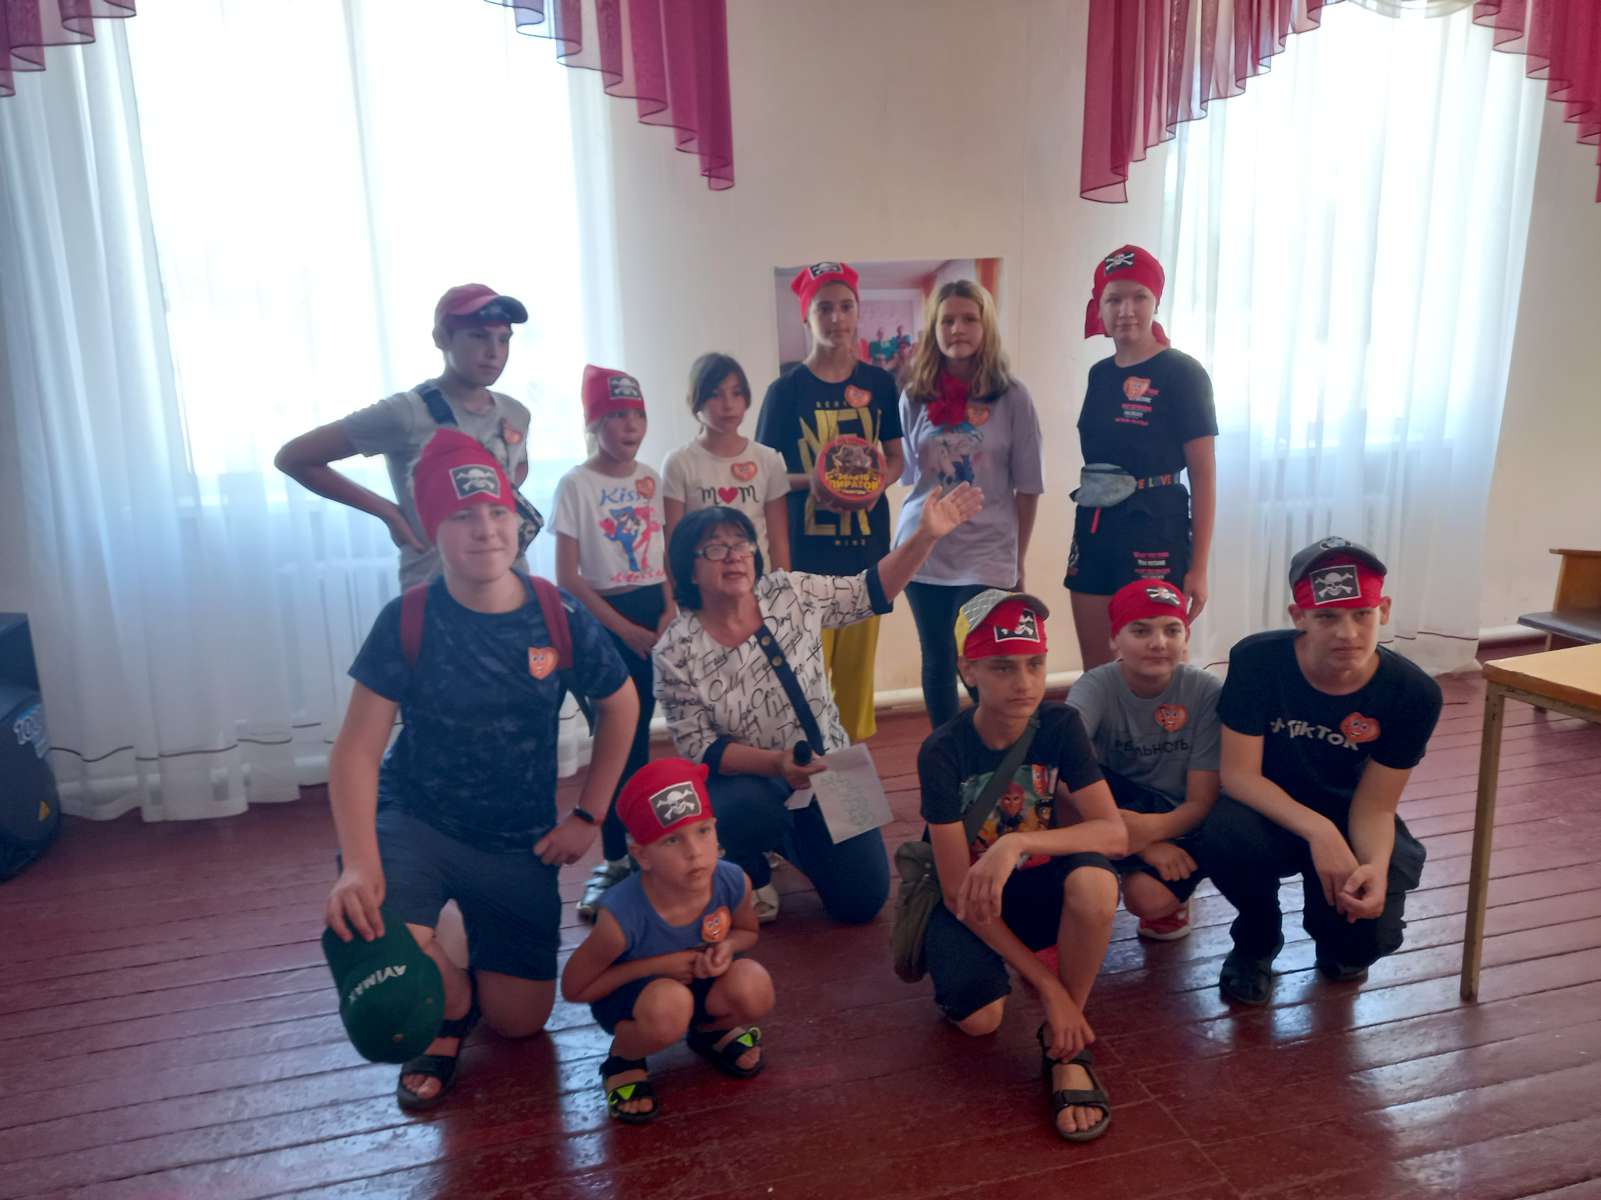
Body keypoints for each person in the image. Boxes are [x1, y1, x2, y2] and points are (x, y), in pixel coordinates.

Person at [322, 430, 638, 1109]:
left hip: (517, 840)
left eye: (496, 511)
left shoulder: (557, 614)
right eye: (462, 515)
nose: (486, 529)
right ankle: (448, 1006)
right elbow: (355, 751)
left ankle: (457, 931)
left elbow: (622, 706)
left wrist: (589, 816)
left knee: (520, 1023)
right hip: (417, 821)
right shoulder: (407, 618)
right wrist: (358, 863)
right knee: (396, 958)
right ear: (432, 529)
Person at [653, 483, 982, 925]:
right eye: (714, 548)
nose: (733, 556)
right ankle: (752, 866)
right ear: (689, 571)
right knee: (742, 809)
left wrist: (925, 536)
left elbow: (870, 590)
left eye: (741, 544)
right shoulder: (675, 649)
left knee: (863, 902)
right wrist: (777, 764)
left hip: (834, 765)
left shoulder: (788, 591)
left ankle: (795, 840)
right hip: (752, 780)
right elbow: (700, 748)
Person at [920, 589, 1125, 1141]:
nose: (1025, 683)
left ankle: (1066, 1051)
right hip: (975, 901)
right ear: (968, 670)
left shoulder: (1059, 724)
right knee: (979, 1020)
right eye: (1002, 667)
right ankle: (1051, 985)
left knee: (1096, 887)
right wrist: (1047, 987)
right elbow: (957, 892)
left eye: (1035, 664)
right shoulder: (942, 751)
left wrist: (1015, 845)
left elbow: (1113, 833)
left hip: (1035, 879)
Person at [1204, 537, 1442, 1005]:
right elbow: (1239, 776)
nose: (1347, 634)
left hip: (1352, 813)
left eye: (1361, 615)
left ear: (1384, 610)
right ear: (1299, 617)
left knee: (1362, 942)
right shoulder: (1257, 661)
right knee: (1224, 836)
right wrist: (1319, 832)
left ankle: (1336, 931)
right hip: (1267, 810)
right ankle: (1256, 937)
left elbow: (1376, 806)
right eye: (1327, 617)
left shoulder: (1413, 693)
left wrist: (1373, 868)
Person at [275, 284, 539, 589]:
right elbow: (294, 458)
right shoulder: (406, 412)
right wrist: (389, 513)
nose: (494, 353)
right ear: (442, 338)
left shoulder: (516, 413)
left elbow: (517, 465)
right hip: (434, 585)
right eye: (478, 336)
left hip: (510, 582)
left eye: (504, 340)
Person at [561, 758, 773, 1124]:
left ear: (716, 828)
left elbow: (747, 932)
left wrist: (727, 948)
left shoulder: (732, 881)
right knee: (669, 1006)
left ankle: (710, 1033)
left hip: (700, 986)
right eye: (673, 840)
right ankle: (624, 1059)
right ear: (642, 855)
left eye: (703, 831)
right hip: (635, 1002)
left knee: (754, 985)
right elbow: (574, 989)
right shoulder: (621, 917)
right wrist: (658, 966)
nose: (695, 852)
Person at [756, 261, 905, 744]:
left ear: (858, 312)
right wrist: (815, 484)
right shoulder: (785, 392)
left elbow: (896, 458)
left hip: (867, 557)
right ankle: (811, 783)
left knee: (856, 693)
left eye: (845, 307)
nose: (836, 318)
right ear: (806, 316)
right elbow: (764, 476)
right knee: (805, 688)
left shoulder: (881, 384)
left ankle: (853, 783)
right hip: (805, 562)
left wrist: (875, 485)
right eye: (824, 308)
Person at [552, 365, 675, 920]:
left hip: (653, 612)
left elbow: (663, 551)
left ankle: (641, 851)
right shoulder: (576, 485)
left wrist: (669, 606)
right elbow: (568, 577)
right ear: (594, 423)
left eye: (638, 416)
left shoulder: (650, 477)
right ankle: (613, 860)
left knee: (641, 737)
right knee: (614, 739)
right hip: (601, 620)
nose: (630, 427)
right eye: (617, 416)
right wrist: (622, 629)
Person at [894, 279, 1044, 729]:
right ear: (934, 329)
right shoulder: (914, 395)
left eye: (968, 319)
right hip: (925, 549)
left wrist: (1018, 560)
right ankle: (947, 750)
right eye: (947, 321)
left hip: (988, 551)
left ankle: (1001, 745)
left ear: (986, 326)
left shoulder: (1013, 397)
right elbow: (909, 476)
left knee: (986, 655)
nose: (957, 329)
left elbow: (1028, 488)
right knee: (938, 656)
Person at [1066, 247, 1217, 671]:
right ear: (1099, 306)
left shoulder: (1183, 373)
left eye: (1139, 297)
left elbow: (1204, 474)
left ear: (1156, 301)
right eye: (1114, 299)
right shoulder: (1099, 374)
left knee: (1155, 664)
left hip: (1157, 529)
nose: (1126, 310)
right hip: (1095, 525)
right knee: (1098, 667)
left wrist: (1199, 567)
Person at [1066, 579, 1221, 941]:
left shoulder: (1206, 691)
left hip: (1178, 815)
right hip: (1116, 808)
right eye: (1140, 631)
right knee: (1059, 779)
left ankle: (1171, 892)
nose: (1158, 643)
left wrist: (1155, 830)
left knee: (1148, 898)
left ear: (1186, 638)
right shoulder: (1095, 685)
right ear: (1114, 639)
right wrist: (1146, 845)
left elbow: (1202, 802)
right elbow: (1060, 764)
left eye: (1172, 630)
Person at [662, 353, 791, 572]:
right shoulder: (679, 462)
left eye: (736, 393)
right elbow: (672, 544)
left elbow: (779, 542)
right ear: (696, 401)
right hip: (702, 583)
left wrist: (783, 588)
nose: (728, 404)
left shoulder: (768, 460)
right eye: (715, 395)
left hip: (758, 582)